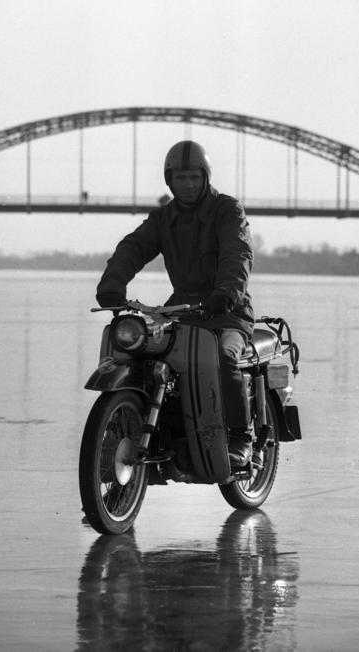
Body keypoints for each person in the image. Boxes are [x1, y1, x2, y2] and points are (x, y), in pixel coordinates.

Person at [96, 140, 255, 466]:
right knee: (142, 354)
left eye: (194, 177)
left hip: (228, 312)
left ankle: (241, 436)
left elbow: (237, 255)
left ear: (205, 177)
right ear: (170, 181)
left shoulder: (227, 211)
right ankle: (132, 429)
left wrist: (226, 294)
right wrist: (112, 285)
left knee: (222, 357)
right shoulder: (163, 219)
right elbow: (133, 248)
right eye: (181, 178)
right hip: (181, 309)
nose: (188, 184)